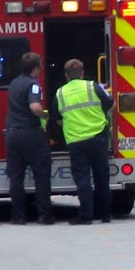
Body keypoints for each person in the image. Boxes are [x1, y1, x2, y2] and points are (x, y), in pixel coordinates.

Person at [51, 59, 114, 225]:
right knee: (102, 177)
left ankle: (86, 216)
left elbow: (57, 119)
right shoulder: (93, 86)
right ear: (82, 73)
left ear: (66, 76)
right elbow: (109, 103)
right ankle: (106, 215)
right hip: (98, 137)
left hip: (76, 141)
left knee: (83, 179)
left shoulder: (60, 93)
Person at [5, 52, 55, 225]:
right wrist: (45, 116)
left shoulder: (13, 83)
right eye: (40, 66)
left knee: (16, 177)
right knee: (41, 175)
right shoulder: (33, 85)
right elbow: (34, 106)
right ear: (35, 68)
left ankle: (18, 216)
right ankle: (44, 215)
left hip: (12, 134)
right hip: (30, 134)